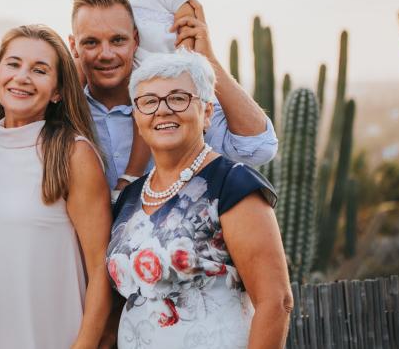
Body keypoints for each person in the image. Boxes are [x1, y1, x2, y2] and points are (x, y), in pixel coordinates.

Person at [107, 50, 293, 348]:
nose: (163, 110)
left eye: (179, 98)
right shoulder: (130, 198)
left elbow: (276, 302)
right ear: (138, 118)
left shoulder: (232, 184)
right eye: (149, 101)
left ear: (206, 112)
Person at [0, 25, 112, 348]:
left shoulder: (74, 153)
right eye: (14, 64)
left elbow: (101, 268)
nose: (23, 77)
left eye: (40, 70)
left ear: (57, 90)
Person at [67, 0, 278, 194]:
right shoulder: (62, 113)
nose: (106, 54)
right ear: (73, 46)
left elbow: (258, 148)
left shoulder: (177, 104)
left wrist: (206, 59)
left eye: (118, 40)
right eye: (91, 43)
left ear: (135, 40)